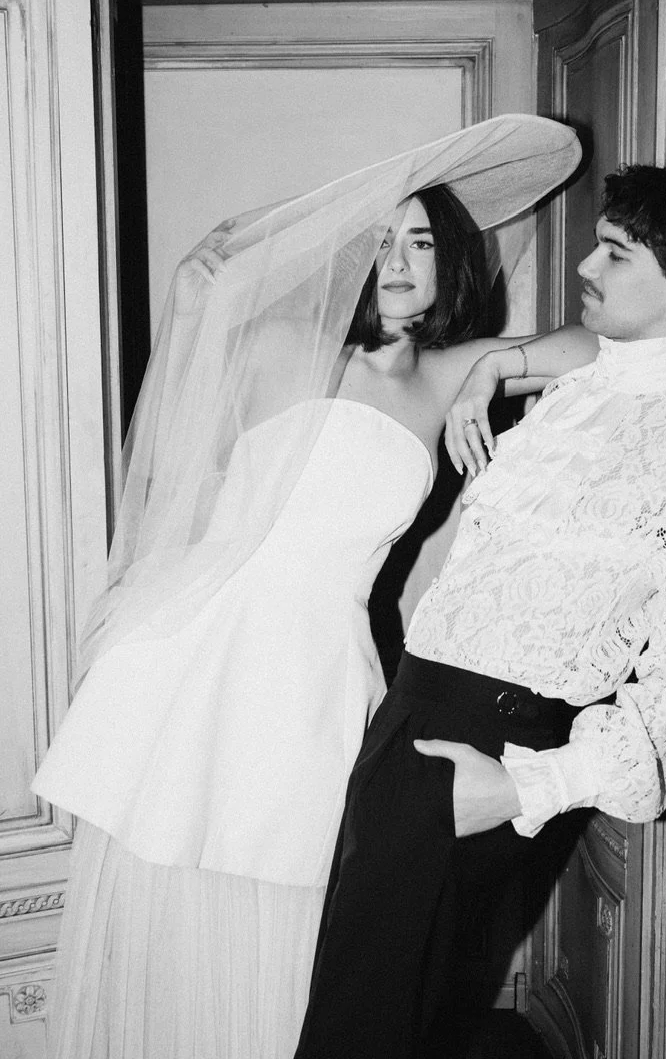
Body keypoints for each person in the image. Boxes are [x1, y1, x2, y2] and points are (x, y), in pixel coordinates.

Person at [31, 115, 594, 1059]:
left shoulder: (446, 373)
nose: (399, 262)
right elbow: (178, 477)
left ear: (452, 260)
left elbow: (595, 348)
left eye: (422, 242)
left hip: (322, 670)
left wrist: (497, 365)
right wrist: (195, 304)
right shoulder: (277, 346)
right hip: (212, 649)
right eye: (379, 240)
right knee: (181, 879)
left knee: (303, 896)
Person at [294, 163, 666, 1059]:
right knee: (356, 1005)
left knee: (370, 1025)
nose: (585, 264)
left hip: (490, 749)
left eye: (615, 254)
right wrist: (494, 366)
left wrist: (522, 789)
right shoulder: (581, 387)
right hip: (411, 708)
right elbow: (575, 349)